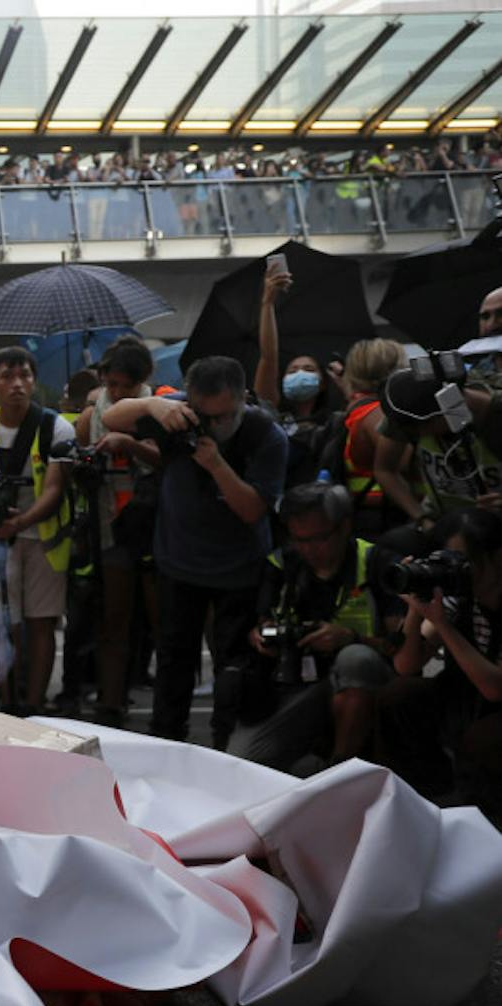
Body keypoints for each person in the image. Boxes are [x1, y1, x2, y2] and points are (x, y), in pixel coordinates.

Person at [104, 355, 289, 748]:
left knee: (233, 667)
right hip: (179, 561)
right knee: (174, 661)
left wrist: (217, 465)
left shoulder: (266, 435)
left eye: (223, 416)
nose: (212, 425)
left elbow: (253, 510)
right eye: (204, 416)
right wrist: (153, 404)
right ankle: (168, 741)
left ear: (243, 400)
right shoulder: (178, 415)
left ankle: (228, 744)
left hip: (238, 567)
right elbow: (111, 418)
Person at [226, 482, 398, 772]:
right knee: (244, 761)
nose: (308, 549)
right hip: (295, 683)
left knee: (355, 659)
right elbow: (260, 624)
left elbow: (401, 648)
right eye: (298, 539)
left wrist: (350, 638)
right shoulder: (281, 564)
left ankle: (341, 770)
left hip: (365, 681)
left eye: (319, 538)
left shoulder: (377, 563)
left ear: (344, 526)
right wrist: (263, 638)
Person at [0, 346, 74, 714]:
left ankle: (35, 706)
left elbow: (55, 488)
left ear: (34, 381)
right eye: (7, 377)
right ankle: (8, 702)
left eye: (24, 375)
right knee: (3, 624)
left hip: (42, 538)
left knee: (41, 623)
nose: (17, 385)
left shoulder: (55, 427)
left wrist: (20, 522)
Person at [377, 508, 502, 812]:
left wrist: (443, 624)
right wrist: (414, 608)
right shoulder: (458, 595)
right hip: (468, 698)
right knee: (397, 697)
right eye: (445, 562)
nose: (454, 571)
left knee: (482, 740)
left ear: (498, 556)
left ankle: (484, 822)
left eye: (464, 562)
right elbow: (406, 666)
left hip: (494, 703)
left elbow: (495, 688)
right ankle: (425, 800)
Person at [72, 336, 162, 725]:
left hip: (154, 523)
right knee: (114, 618)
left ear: (144, 382)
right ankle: (110, 702)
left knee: (161, 619)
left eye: (128, 386)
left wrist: (130, 444)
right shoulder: (94, 413)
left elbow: (168, 458)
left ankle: (165, 709)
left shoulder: (160, 407)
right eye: (113, 385)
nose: (119, 393)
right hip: (110, 523)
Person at [372, 360, 502, 527]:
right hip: (442, 521)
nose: (417, 434)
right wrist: (422, 519)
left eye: (420, 429)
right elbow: (384, 469)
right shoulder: (406, 411)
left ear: (448, 409)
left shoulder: (495, 416)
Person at [254, 260, 344, 487]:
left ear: (323, 383)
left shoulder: (335, 420)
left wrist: (346, 384)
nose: (299, 373)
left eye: (309, 369)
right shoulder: (274, 414)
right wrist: (267, 303)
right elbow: (269, 357)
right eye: (292, 371)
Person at [326, 338, 408, 539]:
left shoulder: (358, 412)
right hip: (388, 522)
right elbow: (403, 463)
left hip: (364, 522)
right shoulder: (380, 414)